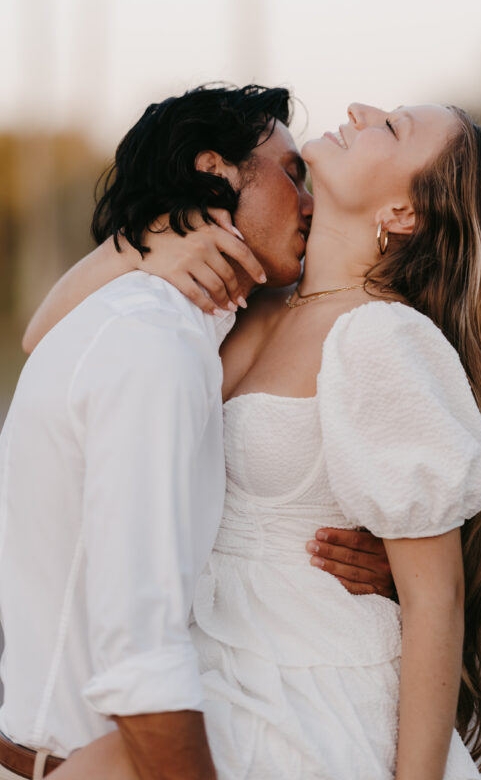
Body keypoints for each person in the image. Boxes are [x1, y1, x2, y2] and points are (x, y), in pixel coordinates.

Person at [23, 100, 481, 779]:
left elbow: (433, 600)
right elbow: (51, 343)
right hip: (215, 670)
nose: (360, 109)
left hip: (309, 695)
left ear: (401, 215)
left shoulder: (382, 338)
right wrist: (140, 246)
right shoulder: (252, 302)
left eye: (390, 128)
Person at [0, 86, 395, 780]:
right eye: (290, 173)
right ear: (214, 169)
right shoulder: (154, 344)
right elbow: (141, 664)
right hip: (97, 764)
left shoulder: (163, 325)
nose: (310, 202)